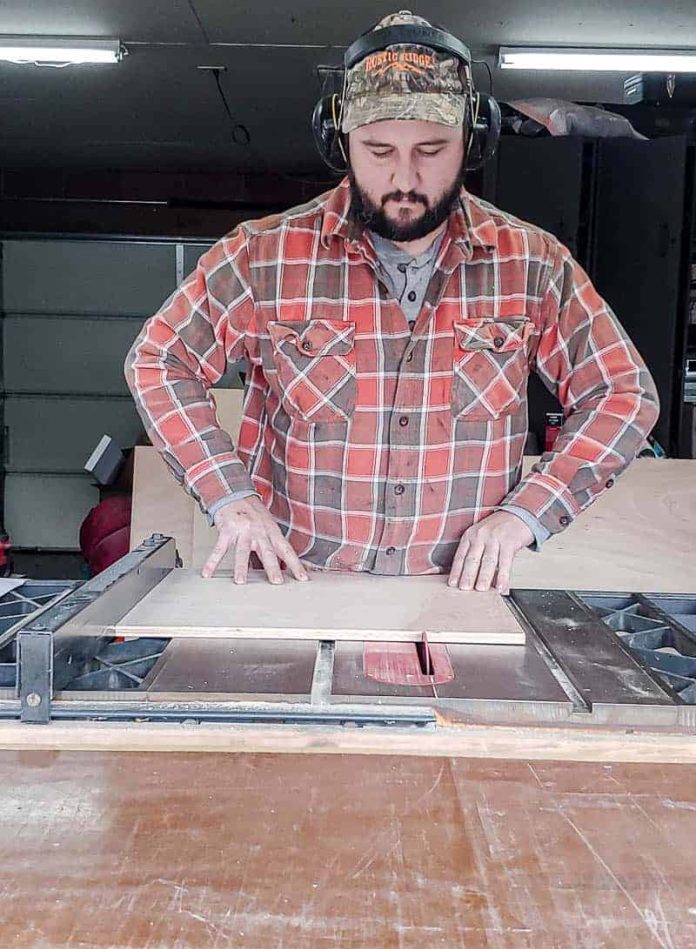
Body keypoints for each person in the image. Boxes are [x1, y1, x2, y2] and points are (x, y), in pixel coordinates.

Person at [125, 10, 659, 593]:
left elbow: (623, 395)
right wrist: (230, 497)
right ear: (340, 143)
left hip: (457, 594)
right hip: (297, 584)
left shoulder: (533, 264)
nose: (405, 179)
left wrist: (524, 515)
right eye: (378, 151)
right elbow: (158, 361)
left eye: (431, 150)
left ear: (473, 142)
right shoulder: (261, 257)